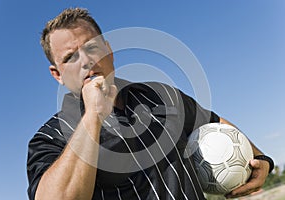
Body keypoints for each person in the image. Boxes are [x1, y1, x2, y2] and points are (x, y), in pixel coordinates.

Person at [27, 7, 273, 200]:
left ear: (109, 49)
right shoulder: (50, 137)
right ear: (57, 74)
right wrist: (93, 115)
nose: (86, 61)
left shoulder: (161, 94)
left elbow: (214, 122)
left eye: (92, 47)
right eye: (70, 57)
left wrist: (261, 158)